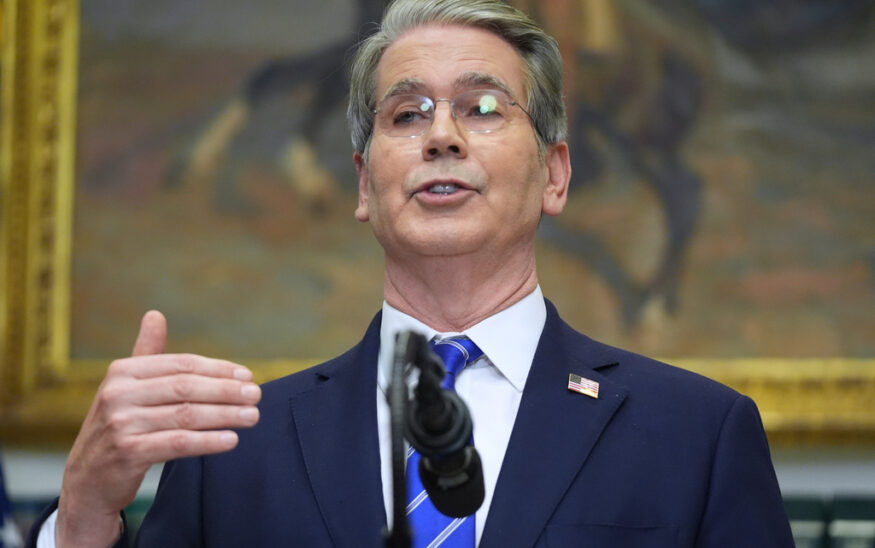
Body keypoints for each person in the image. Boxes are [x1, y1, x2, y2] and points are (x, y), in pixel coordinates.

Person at [28, 0, 794, 546]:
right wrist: (84, 515)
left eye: (484, 107)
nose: (441, 137)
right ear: (365, 184)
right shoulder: (237, 449)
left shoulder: (696, 434)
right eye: (405, 114)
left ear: (556, 175)